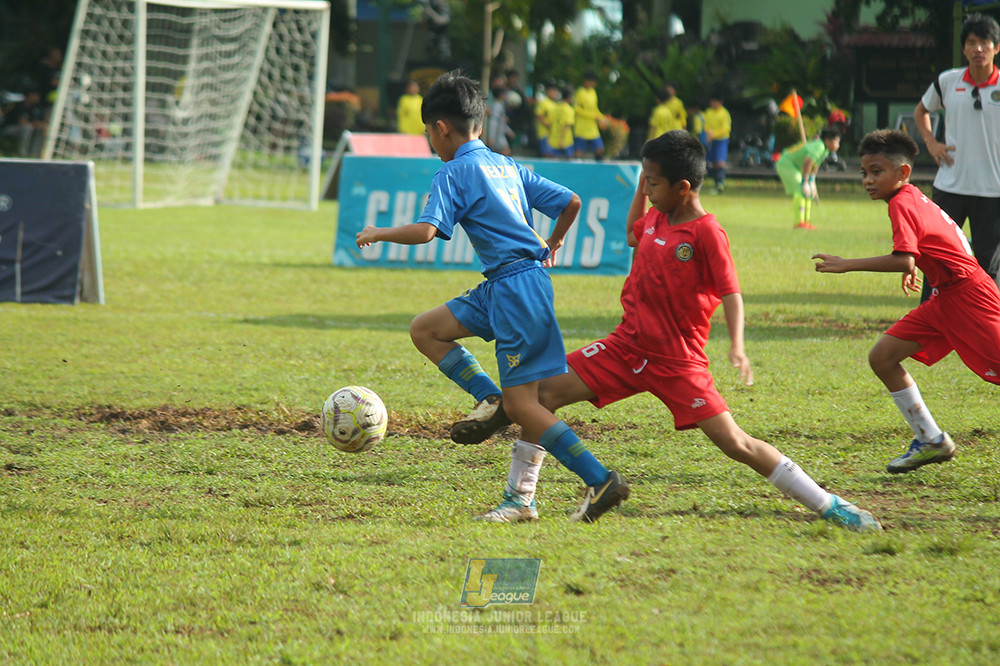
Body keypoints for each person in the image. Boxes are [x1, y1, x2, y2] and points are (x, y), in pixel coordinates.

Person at [458, 130, 882, 532]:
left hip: (678, 363)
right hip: (625, 347)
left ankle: (829, 504)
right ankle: (520, 499)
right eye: (644, 180)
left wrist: (737, 346)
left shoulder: (705, 232)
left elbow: (731, 293)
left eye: (653, 183)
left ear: (683, 187)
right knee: (540, 398)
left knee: (735, 442)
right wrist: (643, 192)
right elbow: (630, 234)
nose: (646, 189)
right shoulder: (656, 219)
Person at [355, 70, 629, 522]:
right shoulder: (508, 165)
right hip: (513, 283)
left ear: (441, 128)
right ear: (479, 123)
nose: (430, 141)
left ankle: (599, 478)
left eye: (428, 133)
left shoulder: (452, 171)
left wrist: (378, 232)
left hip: (512, 289)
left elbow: (428, 231)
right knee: (426, 329)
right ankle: (489, 399)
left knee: (527, 404)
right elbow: (572, 202)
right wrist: (554, 243)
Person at [812, 129, 1000, 474]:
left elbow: (904, 259)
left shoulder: (900, 203)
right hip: (946, 296)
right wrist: (918, 262)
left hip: (969, 298)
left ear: (903, 173)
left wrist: (846, 264)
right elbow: (926, 247)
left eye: (877, 171)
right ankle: (931, 439)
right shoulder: (910, 196)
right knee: (883, 357)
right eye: (864, 172)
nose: (868, 180)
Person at [913, 12, 1000, 300]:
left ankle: (988, 325)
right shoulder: (948, 82)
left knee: (989, 265)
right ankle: (929, 317)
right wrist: (931, 142)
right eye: (972, 42)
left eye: (985, 43)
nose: (978, 49)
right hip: (950, 186)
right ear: (963, 48)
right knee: (937, 257)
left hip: (993, 191)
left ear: (996, 48)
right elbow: (921, 111)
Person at [775, 127, 841, 230]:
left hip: (796, 166)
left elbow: (815, 165)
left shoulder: (825, 150)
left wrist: (812, 181)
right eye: (836, 141)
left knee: (809, 192)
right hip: (787, 164)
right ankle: (799, 222)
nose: (838, 145)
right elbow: (807, 162)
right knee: (800, 189)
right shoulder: (819, 146)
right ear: (827, 141)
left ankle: (806, 221)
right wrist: (805, 181)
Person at [573, 71, 605, 160]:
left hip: (592, 128)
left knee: (599, 148)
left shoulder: (593, 92)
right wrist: (593, 116)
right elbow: (577, 109)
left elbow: (595, 108)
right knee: (579, 152)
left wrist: (601, 117)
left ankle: (598, 169)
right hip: (581, 128)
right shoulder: (580, 92)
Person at [703, 95, 731, 193]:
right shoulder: (708, 112)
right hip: (711, 140)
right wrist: (708, 133)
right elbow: (705, 125)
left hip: (721, 139)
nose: (713, 104)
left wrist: (714, 134)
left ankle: (720, 183)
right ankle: (717, 184)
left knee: (720, 162)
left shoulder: (724, 113)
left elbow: (726, 128)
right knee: (713, 163)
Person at [548, 86, 576, 159]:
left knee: (555, 163)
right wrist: (562, 140)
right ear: (569, 97)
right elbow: (567, 126)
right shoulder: (569, 109)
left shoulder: (555, 108)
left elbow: (550, 123)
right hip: (566, 141)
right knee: (569, 162)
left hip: (554, 139)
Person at [485, 84, 512, 155]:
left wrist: (508, 131)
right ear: (501, 95)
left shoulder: (500, 105)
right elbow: (493, 121)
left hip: (500, 134)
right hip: (498, 135)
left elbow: (501, 121)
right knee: (505, 151)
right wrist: (491, 137)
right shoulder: (497, 106)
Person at [534, 83, 558, 157]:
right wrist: (547, 124)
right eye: (552, 91)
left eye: (555, 91)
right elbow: (539, 114)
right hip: (544, 133)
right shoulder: (543, 102)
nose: (554, 93)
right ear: (547, 92)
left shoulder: (555, 104)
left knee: (553, 154)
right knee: (546, 154)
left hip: (553, 134)